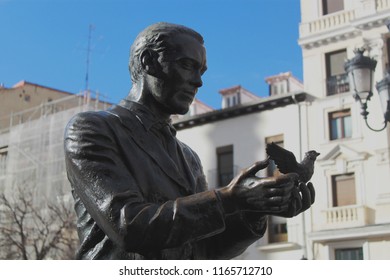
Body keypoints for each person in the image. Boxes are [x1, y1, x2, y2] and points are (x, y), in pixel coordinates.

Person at [64, 22, 315, 260]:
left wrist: (256, 209)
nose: (198, 81)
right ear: (148, 62)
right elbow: (128, 225)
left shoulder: (188, 157)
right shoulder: (93, 129)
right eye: (187, 65)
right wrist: (230, 198)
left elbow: (204, 250)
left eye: (201, 70)